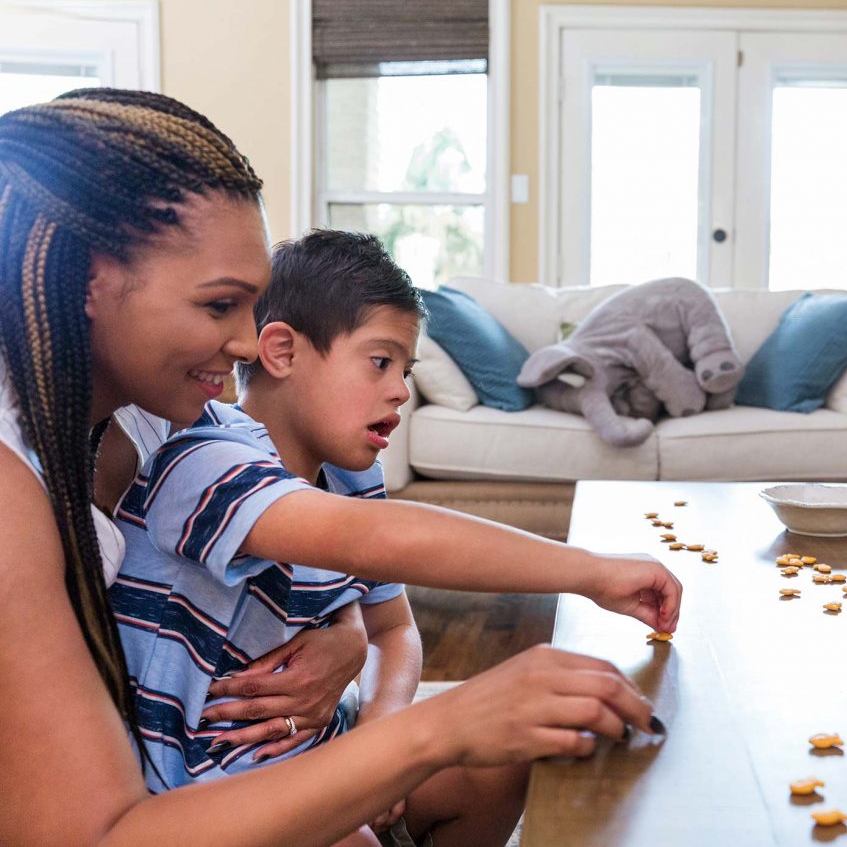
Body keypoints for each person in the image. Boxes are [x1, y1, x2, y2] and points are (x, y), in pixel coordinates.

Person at [0, 88, 680, 846]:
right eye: (220, 304)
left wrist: (353, 633)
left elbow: (358, 563)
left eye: (250, 309)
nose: (247, 343)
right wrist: (444, 722)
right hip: (190, 776)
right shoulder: (46, 484)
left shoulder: (140, 402)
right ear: (90, 278)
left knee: (506, 761)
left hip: (268, 747)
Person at [114, 228, 681, 844]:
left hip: (324, 745)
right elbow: (388, 540)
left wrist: (382, 732)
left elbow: (393, 628)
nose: (401, 391)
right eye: (380, 361)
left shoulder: (352, 478)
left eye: (406, 370)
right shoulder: (206, 461)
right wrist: (591, 571)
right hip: (212, 781)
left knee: (503, 762)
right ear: (281, 352)